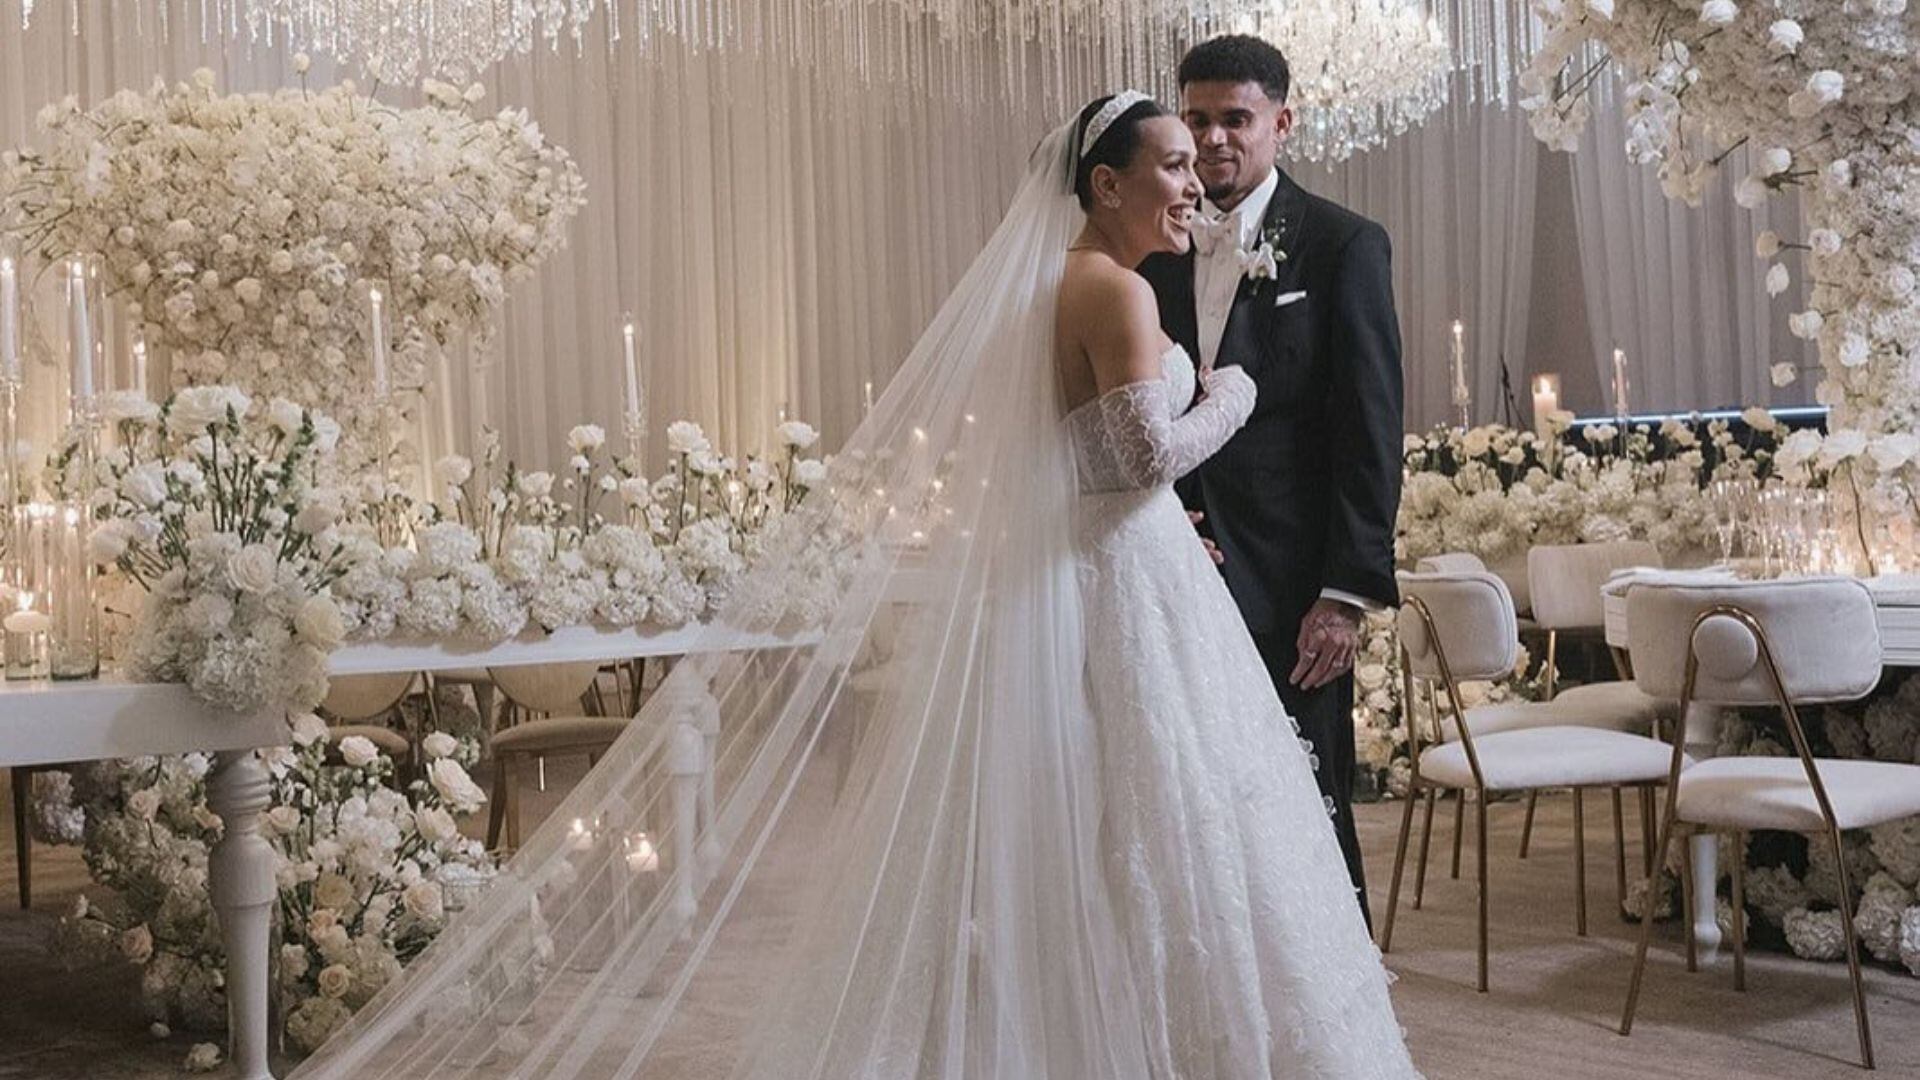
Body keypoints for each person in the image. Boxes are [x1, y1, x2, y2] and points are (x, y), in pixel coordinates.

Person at [291, 93, 1417, 1080]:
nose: (1193, 183)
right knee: (1172, 816)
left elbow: (1082, 462)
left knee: (1135, 818)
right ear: (1106, 183)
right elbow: (1134, 463)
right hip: (1126, 584)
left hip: (1120, 578)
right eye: (1171, 165)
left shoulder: (1071, 281)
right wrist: (1235, 396)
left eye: (1196, 159)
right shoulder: (1114, 292)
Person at [1140, 36, 1406, 925]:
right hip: (1173, 573)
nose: (1214, 139)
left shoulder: (1343, 246)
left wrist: (1346, 594)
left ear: (1281, 124)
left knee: (1303, 790)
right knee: (1193, 796)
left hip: (1295, 586)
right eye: (1198, 119)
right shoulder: (1152, 248)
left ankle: (1337, 995)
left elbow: (1369, 431)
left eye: (1235, 119)